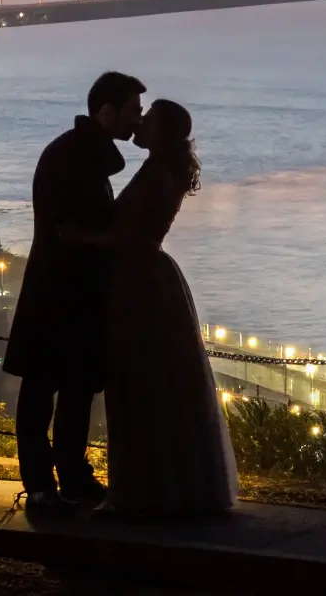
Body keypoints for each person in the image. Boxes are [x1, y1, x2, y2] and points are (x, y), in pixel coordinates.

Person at [62, 98, 237, 516]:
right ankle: (157, 484)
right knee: (152, 383)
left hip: (139, 284)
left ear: (160, 132)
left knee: (138, 382)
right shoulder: (162, 168)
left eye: (148, 117)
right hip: (147, 279)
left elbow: (129, 235)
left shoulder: (158, 173)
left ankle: (143, 490)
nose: (139, 121)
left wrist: (77, 236)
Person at [2, 71, 145, 514]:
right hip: (60, 291)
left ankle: (67, 478)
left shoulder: (75, 153)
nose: (137, 120)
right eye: (132, 110)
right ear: (107, 111)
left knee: (69, 388)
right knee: (48, 387)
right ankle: (45, 485)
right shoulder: (75, 157)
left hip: (63, 289)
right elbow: (68, 231)